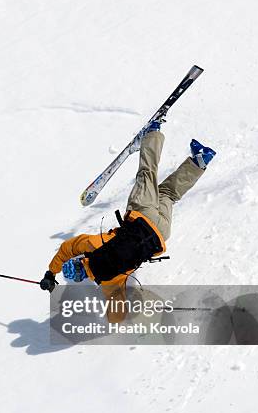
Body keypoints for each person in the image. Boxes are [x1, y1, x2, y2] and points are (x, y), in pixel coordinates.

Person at [40, 120, 216, 322]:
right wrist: (50, 274)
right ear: (80, 260)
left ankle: (199, 162)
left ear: (83, 276)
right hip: (142, 214)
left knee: (168, 194)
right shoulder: (90, 246)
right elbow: (66, 248)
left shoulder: (110, 283)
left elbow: (116, 316)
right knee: (147, 173)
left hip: (160, 234)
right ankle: (153, 133)